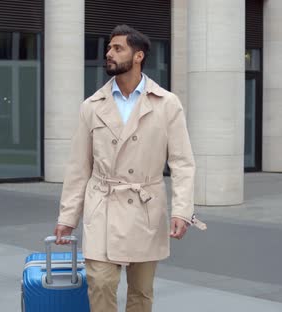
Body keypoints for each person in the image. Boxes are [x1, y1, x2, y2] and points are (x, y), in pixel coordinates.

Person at [53, 24, 205, 312]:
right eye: (109, 48)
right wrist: (67, 217)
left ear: (138, 56)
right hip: (103, 204)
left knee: (141, 292)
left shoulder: (167, 103)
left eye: (117, 48)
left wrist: (182, 210)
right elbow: (78, 166)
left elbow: (183, 162)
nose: (109, 53)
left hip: (145, 207)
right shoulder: (92, 105)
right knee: (99, 282)